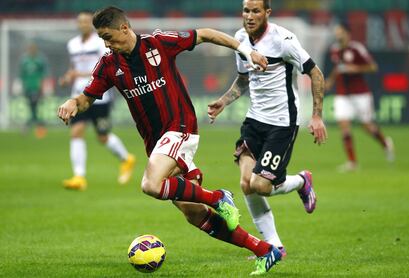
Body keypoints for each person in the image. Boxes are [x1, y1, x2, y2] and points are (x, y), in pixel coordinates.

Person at [57, 6, 282, 275]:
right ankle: (265, 250)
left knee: (151, 185)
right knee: (194, 214)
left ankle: (219, 197)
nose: (107, 43)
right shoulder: (109, 65)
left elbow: (206, 34)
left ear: (124, 28)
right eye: (102, 38)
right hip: (156, 144)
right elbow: (86, 98)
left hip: (180, 128)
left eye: (109, 36)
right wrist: (73, 102)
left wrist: (246, 51)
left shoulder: (158, 43)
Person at [207, 0, 327, 266]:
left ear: (267, 13)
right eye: (246, 11)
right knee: (246, 184)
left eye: (256, 11)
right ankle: (275, 246)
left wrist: (317, 115)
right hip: (254, 120)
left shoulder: (283, 40)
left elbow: (316, 73)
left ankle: (301, 181)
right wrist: (223, 102)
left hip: (282, 122)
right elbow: (244, 79)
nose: (249, 16)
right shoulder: (240, 39)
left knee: (262, 185)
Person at [59, 11, 136, 190]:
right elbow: (74, 67)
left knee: (102, 136)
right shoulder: (73, 44)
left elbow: (106, 67)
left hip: (99, 96)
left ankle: (126, 159)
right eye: (80, 22)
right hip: (79, 94)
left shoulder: (101, 42)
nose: (83, 24)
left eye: (86, 21)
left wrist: (80, 74)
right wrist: (68, 77)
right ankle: (79, 177)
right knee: (76, 132)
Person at [325, 21, 395, 172]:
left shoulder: (356, 48)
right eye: (336, 31)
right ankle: (352, 162)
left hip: (360, 93)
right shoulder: (335, 50)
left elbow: (373, 66)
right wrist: (330, 80)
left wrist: (355, 68)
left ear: (347, 33)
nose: (337, 34)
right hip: (342, 94)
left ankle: (385, 143)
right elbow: (338, 68)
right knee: (344, 126)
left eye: (339, 31)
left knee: (367, 126)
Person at [19, 42, 48, 138]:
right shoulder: (24, 60)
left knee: (34, 107)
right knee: (32, 108)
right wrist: (20, 85)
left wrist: (43, 87)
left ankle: (30, 126)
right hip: (27, 87)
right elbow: (21, 74)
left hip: (37, 87)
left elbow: (44, 74)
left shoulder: (40, 60)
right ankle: (39, 126)